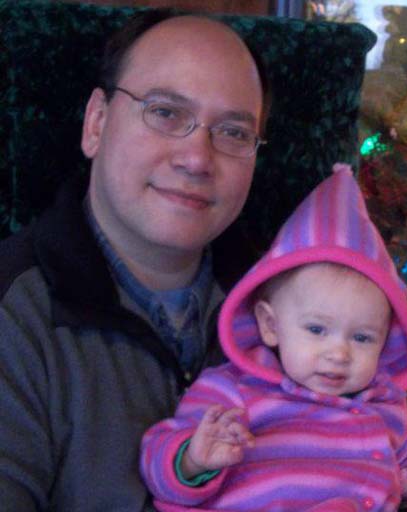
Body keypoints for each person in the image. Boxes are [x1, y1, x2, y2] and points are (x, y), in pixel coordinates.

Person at [0, 11, 270, 511]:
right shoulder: (14, 315)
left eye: (233, 132)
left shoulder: (286, 302)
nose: (196, 158)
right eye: (165, 112)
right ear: (96, 124)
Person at [140, 164, 407, 512]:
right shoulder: (232, 389)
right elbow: (156, 458)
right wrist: (192, 460)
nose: (339, 354)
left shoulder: (384, 405)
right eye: (316, 330)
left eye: (362, 338)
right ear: (270, 325)